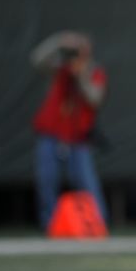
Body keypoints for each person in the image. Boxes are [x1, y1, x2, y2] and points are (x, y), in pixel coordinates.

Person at [30, 31, 108, 230]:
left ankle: (97, 223)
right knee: (47, 181)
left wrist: (81, 74)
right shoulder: (62, 68)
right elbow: (37, 60)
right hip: (52, 135)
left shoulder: (94, 72)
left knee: (86, 181)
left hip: (78, 139)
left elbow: (95, 98)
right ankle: (51, 225)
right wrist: (58, 41)